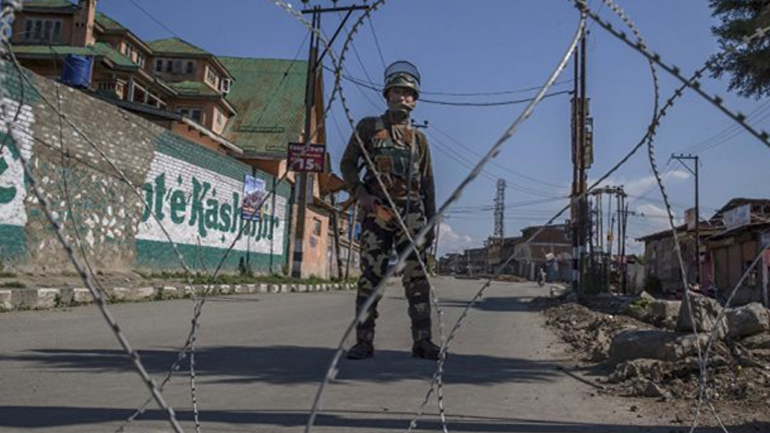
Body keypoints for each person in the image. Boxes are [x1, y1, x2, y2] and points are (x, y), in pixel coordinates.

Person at [340, 60, 440, 360]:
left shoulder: (419, 140)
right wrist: (361, 195)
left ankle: (423, 341)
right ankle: (363, 341)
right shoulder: (369, 127)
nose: (402, 97)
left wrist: (431, 222)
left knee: (417, 278)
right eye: (397, 92)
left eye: (408, 93)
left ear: (415, 100)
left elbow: (428, 183)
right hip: (378, 212)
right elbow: (348, 164)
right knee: (371, 277)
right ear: (387, 95)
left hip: (412, 213)